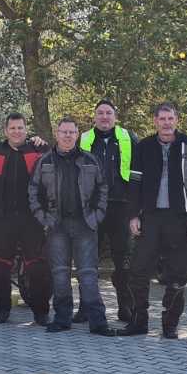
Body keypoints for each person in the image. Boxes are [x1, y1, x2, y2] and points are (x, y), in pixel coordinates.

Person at [126, 103, 187, 339]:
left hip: (180, 219)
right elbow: (134, 184)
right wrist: (133, 215)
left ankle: (170, 325)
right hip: (150, 218)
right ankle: (138, 322)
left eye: (170, 118)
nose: (166, 123)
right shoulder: (143, 147)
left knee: (177, 275)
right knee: (138, 271)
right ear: (155, 121)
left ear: (176, 120)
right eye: (162, 119)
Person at [29, 116, 120, 336]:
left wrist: (96, 216)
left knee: (88, 274)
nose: (68, 136)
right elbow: (33, 192)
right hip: (56, 226)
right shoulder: (45, 161)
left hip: (85, 225)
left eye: (71, 132)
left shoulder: (90, 160)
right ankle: (62, 319)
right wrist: (44, 219)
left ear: (77, 134)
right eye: (64, 132)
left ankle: (98, 322)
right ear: (57, 134)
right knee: (60, 274)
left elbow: (103, 189)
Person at [0, 113, 52, 325]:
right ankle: (2, 310)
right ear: (5, 131)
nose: (16, 132)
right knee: (1, 267)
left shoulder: (38, 150)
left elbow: (51, 180)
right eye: (12, 128)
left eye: (20, 128)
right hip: (2, 219)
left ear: (26, 130)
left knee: (37, 267)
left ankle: (41, 312)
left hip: (31, 220)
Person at [80, 101, 135, 319]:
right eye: (100, 113)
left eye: (108, 113)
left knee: (123, 261)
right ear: (94, 116)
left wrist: (137, 207)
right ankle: (86, 308)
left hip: (120, 207)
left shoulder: (129, 138)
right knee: (87, 260)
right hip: (92, 208)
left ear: (115, 116)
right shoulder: (83, 139)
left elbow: (139, 173)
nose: (104, 117)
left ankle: (126, 307)